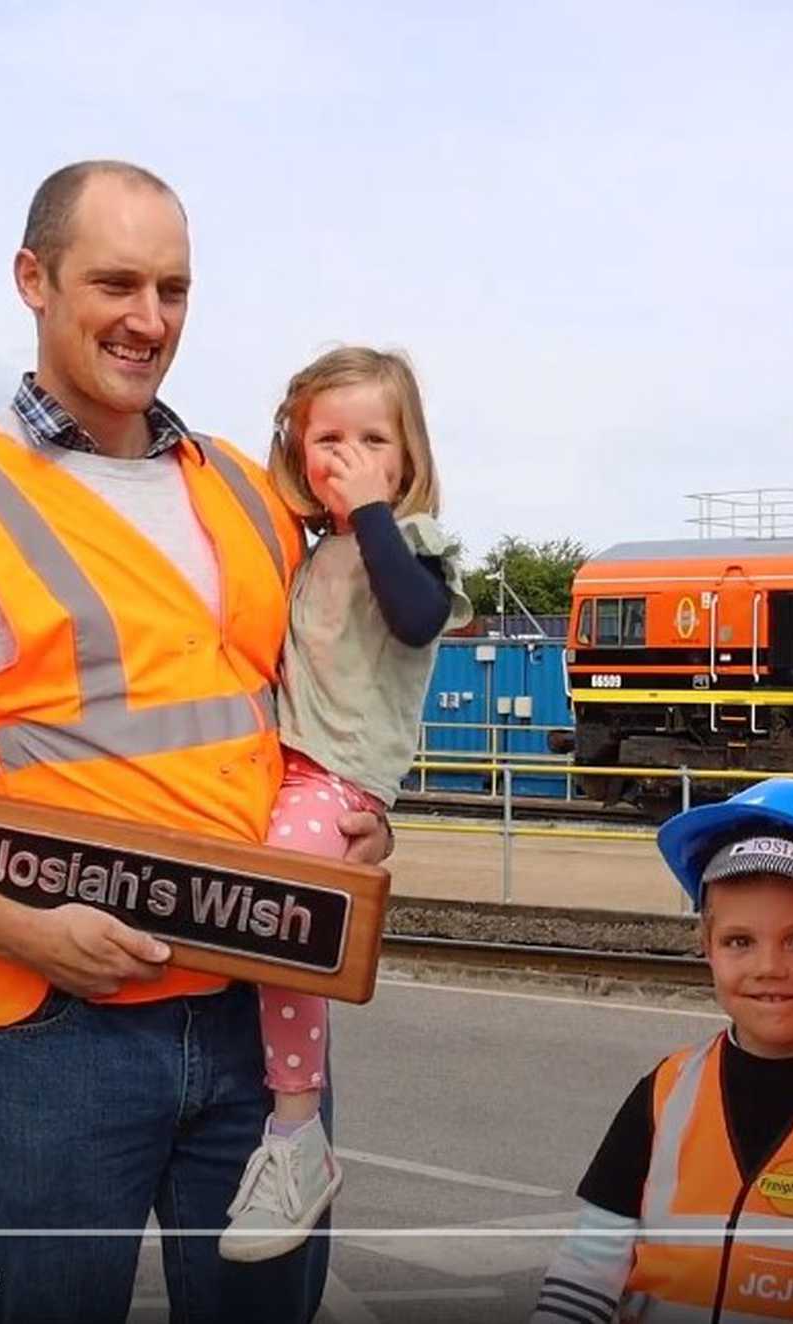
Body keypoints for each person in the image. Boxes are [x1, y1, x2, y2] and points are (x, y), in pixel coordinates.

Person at [0, 160, 387, 1324]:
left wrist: (357, 815)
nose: (148, 320)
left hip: (263, 1014)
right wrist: (24, 930)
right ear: (32, 279)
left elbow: (305, 725)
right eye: (115, 282)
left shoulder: (253, 497)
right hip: (54, 1034)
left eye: (173, 288)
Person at [529, 779, 793, 1324]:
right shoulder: (665, 1092)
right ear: (706, 949)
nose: (768, 967)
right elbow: (587, 1268)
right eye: (739, 941)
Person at [218, 347, 472, 1261]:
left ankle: (297, 1131)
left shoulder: (412, 545)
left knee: (286, 910)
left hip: (335, 778)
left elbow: (415, 617)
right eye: (330, 439)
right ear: (297, 450)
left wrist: (370, 509)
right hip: (273, 765)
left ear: (407, 459)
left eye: (375, 439)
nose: (352, 455)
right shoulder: (309, 550)